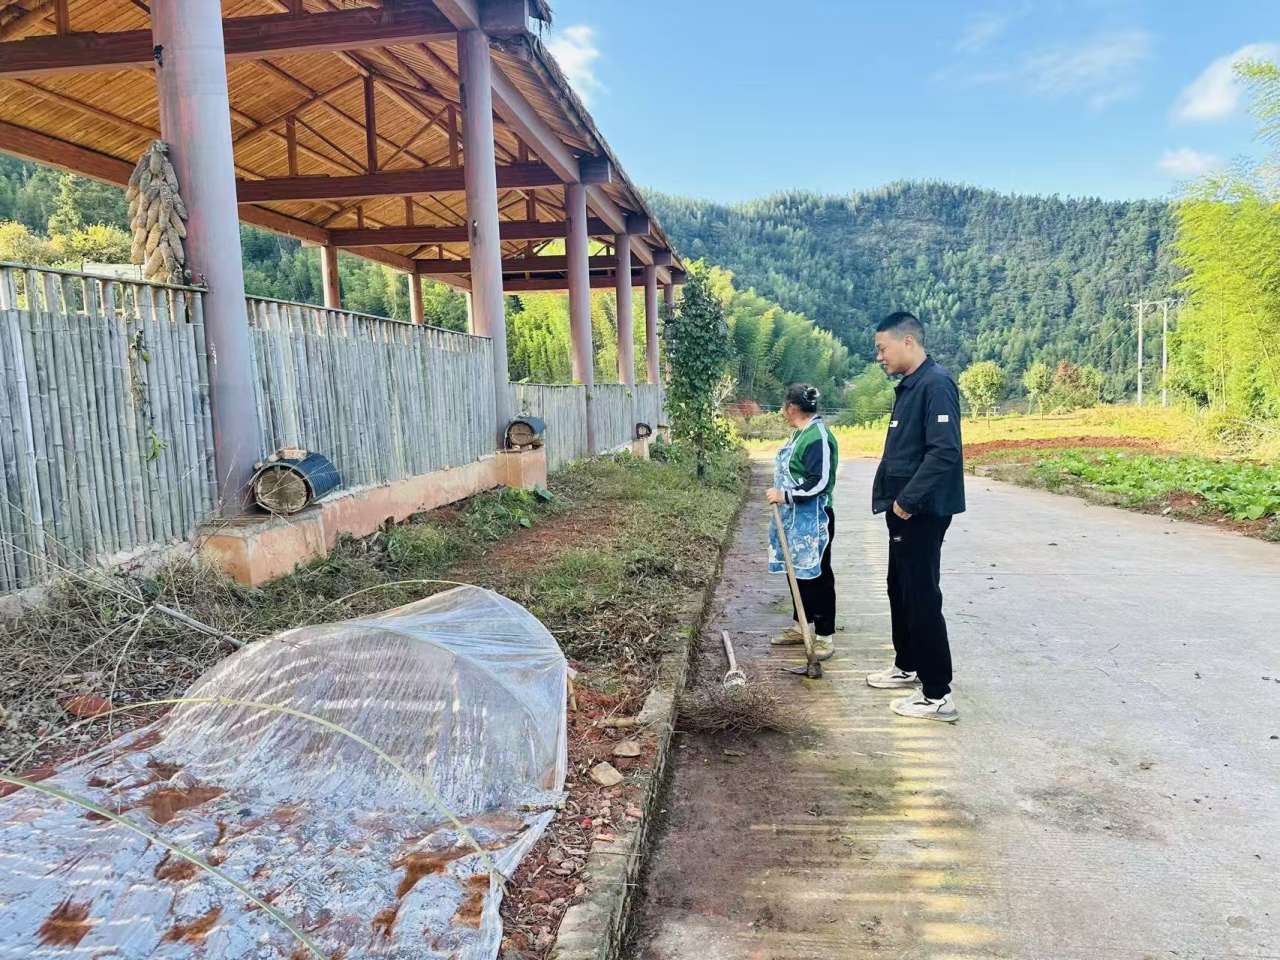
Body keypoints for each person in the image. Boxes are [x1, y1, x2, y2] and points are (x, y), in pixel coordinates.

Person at [867, 311, 965, 722]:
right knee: (900, 588)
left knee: (922, 595)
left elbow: (944, 451)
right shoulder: (911, 386)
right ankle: (907, 664)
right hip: (903, 511)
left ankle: (937, 693)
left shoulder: (936, 384)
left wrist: (906, 502)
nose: (879, 357)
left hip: (921, 511)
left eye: (882, 348)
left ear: (907, 341)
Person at [766, 383, 840, 661]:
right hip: (793, 518)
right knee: (796, 571)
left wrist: (784, 495)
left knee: (817, 575)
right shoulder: (800, 434)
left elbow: (819, 482)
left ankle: (824, 636)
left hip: (814, 519)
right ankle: (801, 626)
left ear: (792, 407)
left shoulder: (817, 437)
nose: (783, 411)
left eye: (784, 406)